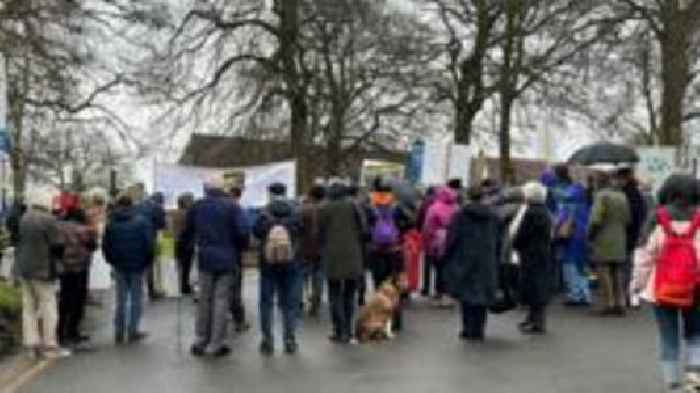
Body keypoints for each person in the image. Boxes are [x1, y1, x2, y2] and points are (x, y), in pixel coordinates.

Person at [631, 183, 700, 392]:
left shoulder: (656, 219)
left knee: (668, 336)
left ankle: (672, 383)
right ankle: (694, 379)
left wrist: (637, 285)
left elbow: (644, 257)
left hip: (661, 288)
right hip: (696, 287)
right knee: (695, 334)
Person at [180, 178, 249, 357]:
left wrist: (187, 250)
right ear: (222, 188)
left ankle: (200, 339)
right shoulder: (232, 206)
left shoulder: (197, 206)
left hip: (205, 257)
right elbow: (243, 232)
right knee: (221, 300)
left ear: (205, 189)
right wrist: (238, 249)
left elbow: (187, 232)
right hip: (227, 257)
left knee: (204, 299)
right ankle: (216, 343)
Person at [15, 191, 70, 359]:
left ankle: (31, 345)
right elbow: (58, 244)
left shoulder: (24, 218)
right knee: (48, 306)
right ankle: (50, 345)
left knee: (29, 307)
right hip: (43, 268)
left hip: (24, 267)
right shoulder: (48, 220)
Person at [444, 186, 501, 342]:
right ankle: (479, 329)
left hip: (464, 258)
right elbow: (499, 240)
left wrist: (448, 256)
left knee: (466, 295)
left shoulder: (460, 215)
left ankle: (467, 329)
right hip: (486, 259)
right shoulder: (494, 216)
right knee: (482, 295)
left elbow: (452, 239)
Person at [254, 183, 303, 355]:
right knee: (289, 303)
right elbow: (301, 232)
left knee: (266, 303)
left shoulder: (264, 213)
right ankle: (290, 340)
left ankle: (267, 341)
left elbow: (256, 232)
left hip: (268, 263)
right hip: (291, 262)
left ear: (270, 194)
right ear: (285, 192)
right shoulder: (295, 211)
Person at [103, 195, 154, 345]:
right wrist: (147, 262)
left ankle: (119, 331)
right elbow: (149, 244)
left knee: (120, 299)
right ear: (132, 205)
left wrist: (112, 261)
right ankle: (132, 330)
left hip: (119, 265)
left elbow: (106, 246)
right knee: (136, 299)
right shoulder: (142, 222)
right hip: (137, 265)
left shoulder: (111, 223)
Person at [319, 183, 365, 344]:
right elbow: (364, 229)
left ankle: (339, 330)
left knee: (335, 295)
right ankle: (348, 330)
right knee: (350, 295)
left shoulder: (324, 209)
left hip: (332, 257)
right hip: (353, 255)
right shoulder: (354, 206)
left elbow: (319, 233)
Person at [511, 183, 553, 335]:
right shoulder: (544, 211)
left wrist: (515, 243)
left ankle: (537, 321)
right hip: (541, 252)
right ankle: (533, 318)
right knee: (537, 285)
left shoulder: (532, 212)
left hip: (532, 253)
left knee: (534, 286)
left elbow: (523, 233)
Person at [588, 170, 631, 317]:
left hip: (603, 236)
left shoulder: (601, 196)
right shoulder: (622, 196)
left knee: (603, 269)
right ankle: (621, 303)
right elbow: (627, 219)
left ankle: (609, 303)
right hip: (620, 236)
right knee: (617, 270)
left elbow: (595, 219)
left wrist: (590, 235)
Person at [57, 207, 98, 347]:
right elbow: (92, 246)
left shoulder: (58, 227)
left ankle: (60, 332)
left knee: (64, 299)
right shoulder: (84, 230)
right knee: (78, 300)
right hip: (80, 268)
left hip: (64, 268)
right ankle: (73, 331)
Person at [557, 182, 593, 306]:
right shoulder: (586, 206)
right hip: (584, 239)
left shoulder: (567, 206)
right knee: (582, 268)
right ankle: (585, 294)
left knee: (569, 267)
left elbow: (560, 221)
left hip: (570, 239)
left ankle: (574, 295)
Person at [422, 186, 459, 307]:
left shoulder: (434, 208)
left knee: (438, 268)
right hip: (453, 240)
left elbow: (427, 227)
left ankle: (439, 293)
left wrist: (427, 242)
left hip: (437, 242)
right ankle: (448, 294)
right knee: (449, 268)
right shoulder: (457, 208)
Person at [617, 168, 648, 305]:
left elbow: (630, 216)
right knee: (632, 267)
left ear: (624, 178)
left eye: (619, 178)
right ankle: (631, 296)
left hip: (628, 233)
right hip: (636, 232)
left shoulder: (627, 193)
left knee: (626, 267)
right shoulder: (636, 192)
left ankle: (627, 296)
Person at [135, 192, 166, 300]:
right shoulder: (158, 208)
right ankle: (151, 291)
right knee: (149, 265)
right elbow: (162, 225)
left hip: (137, 238)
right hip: (151, 238)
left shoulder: (138, 206)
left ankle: (138, 291)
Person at [300, 185, 326, 317]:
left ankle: (302, 299)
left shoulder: (303, 210)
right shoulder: (326, 210)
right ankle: (315, 304)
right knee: (318, 277)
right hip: (322, 249)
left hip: (305, 248)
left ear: (311, 196)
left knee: (302, 275)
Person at [229, 186, 250, 333]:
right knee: (235, 288)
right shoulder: (238, 210)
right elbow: (244, 233)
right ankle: (239, 321)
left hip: (211, 256)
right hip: (233, 254)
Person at [172, 193, 195, 295]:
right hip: (187, 242)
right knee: (186, 266)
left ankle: (179, 285)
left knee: (179, 265)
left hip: (176, 242)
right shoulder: (188, 214)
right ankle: (184, 286)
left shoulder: (174, 213)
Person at [417, 187, 437, 297]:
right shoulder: (440, 203)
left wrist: (419, 230)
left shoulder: (425, 203)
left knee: (427, 262)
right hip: (441, 238)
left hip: (428, 236)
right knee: (439, 264)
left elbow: (419, 219)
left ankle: (426, 287)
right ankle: (439, 289)